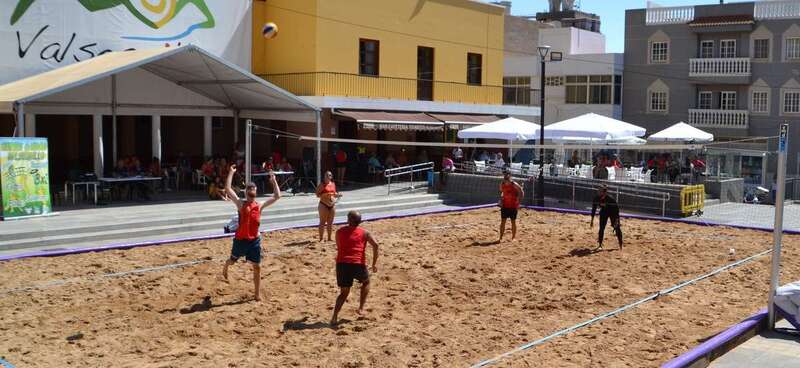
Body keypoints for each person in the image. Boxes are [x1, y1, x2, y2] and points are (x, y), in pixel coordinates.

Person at [221, 164, 281, 301]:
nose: (252, 189)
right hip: (241, 240)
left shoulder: (259, 206)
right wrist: (231, 172)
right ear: (246, 191)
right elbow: (228, 189)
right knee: (232, 261)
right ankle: (225, 266)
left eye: (253, 188)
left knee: (257, 266)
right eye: (249, 188)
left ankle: (257, 294)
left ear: (256, 190)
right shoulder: (241, 204)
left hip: (254, 240)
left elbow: (277, 196)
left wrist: (274, 180)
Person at [330, 210, 379, 326]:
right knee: (366, 282)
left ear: (349, 220)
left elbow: (339, 246)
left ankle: (334, 316)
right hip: (357, 263)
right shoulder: (365, 233)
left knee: (343, 293)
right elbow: (376, 245)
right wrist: (374, 264)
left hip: (342, 264)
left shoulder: (339, 231)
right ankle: (361, 308)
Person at [590, 184, 623, 251]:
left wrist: (617, 220)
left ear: (604, 192)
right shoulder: (596, 198)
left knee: (617, 227)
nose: (598, 192)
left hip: (612, 212)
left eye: (600, 191)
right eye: (598, 190)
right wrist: (592, 220)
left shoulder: (610, 199)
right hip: (604, 212)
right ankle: (600, 245)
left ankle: (620, 243)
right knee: (601, 228)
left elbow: (617, 209)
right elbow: (594, 209)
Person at [316, 171, 341, 242]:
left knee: (330, 222)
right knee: (322, 222)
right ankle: (321, 238)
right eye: (326, 175)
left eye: (329, 175)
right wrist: (325, 195)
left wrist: (338, 195)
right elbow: (317, 194)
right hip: (323, 204)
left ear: (331, 177)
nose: (328, 177)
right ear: (324, 177)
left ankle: (329, 238)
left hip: (332, 204)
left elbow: (334, 193)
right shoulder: (322, 184)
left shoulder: (333, 184)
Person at [499, 170, 524, 242]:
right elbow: (502, 193)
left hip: (513, 206)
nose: (505, 176)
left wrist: (518, 201)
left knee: (513, 221)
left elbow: (521, 191)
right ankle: (500, 238)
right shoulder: (502, 184)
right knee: (503, 221)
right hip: (505, 205)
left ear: (510, 175)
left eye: (507, 175)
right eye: (504, 175)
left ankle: (513, 238)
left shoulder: (514, 184)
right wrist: (501, 199)